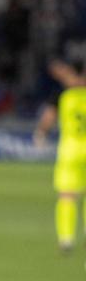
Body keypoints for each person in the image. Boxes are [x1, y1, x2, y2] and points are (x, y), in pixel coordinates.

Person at [34, 60, 86, 255]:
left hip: (70, 149)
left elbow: (48, 118)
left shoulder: (62, 94)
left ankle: (66, 240)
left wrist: (40, 133)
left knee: (67, 194)